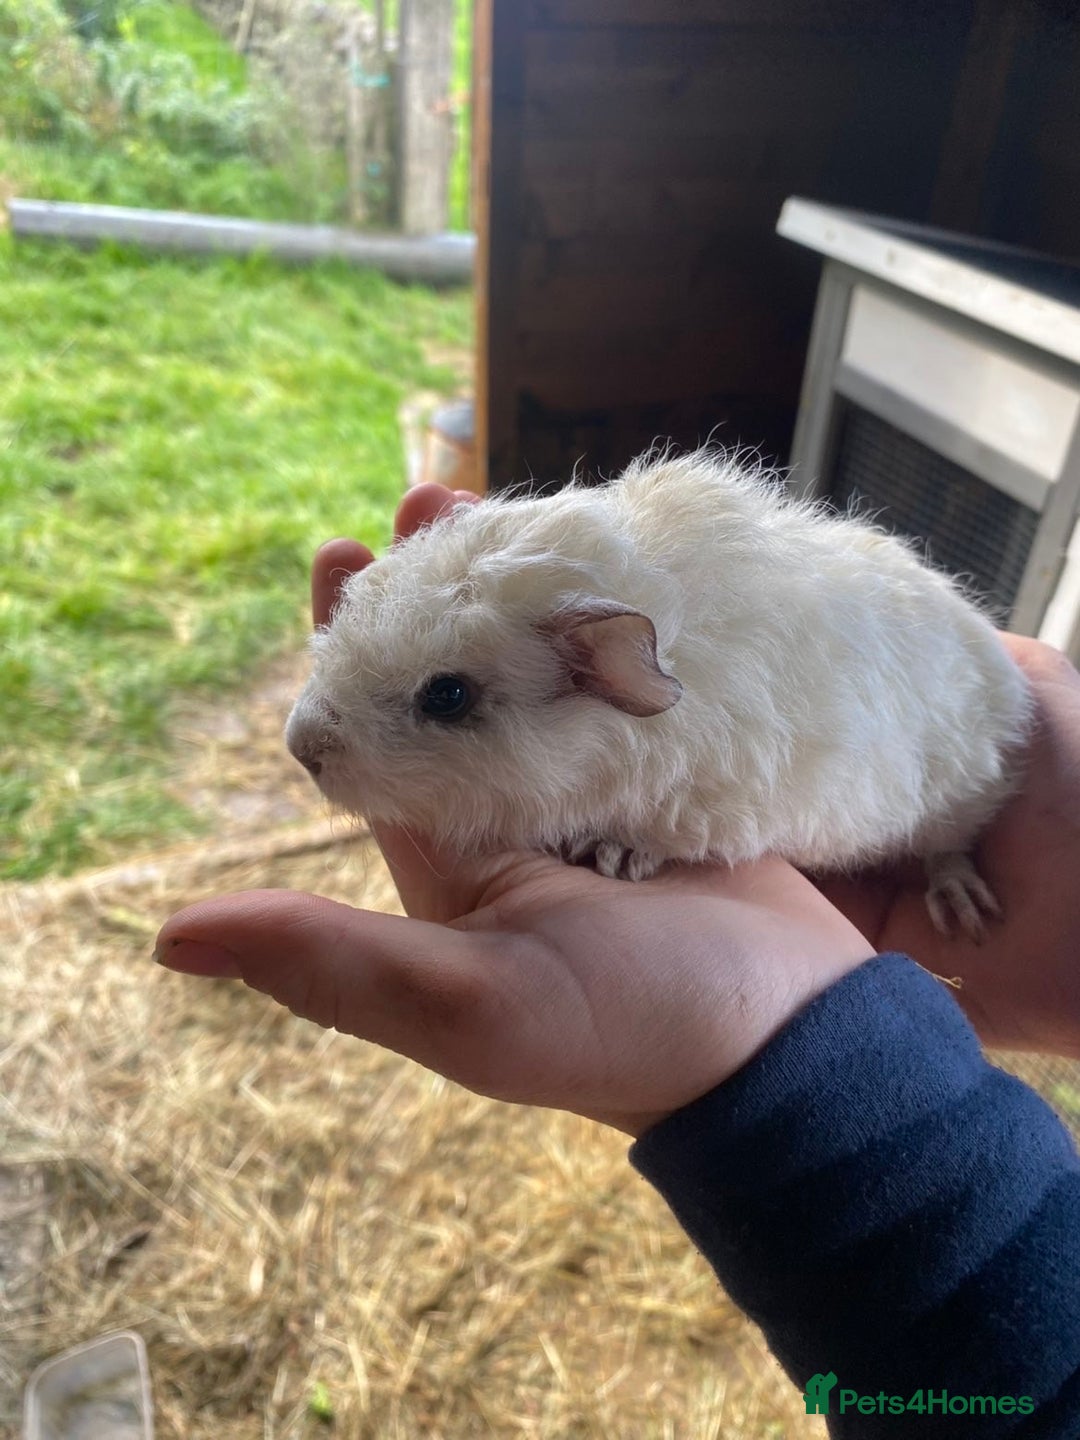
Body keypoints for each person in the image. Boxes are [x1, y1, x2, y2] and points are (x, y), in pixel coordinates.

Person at [156, 483, 1080, 1435]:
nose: (305, 739)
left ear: (602, 674)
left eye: (447, 699)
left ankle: (949, 850)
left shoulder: (727, 750)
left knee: (932, 790)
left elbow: (763, 792)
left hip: (956, 768)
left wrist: (957, 855)